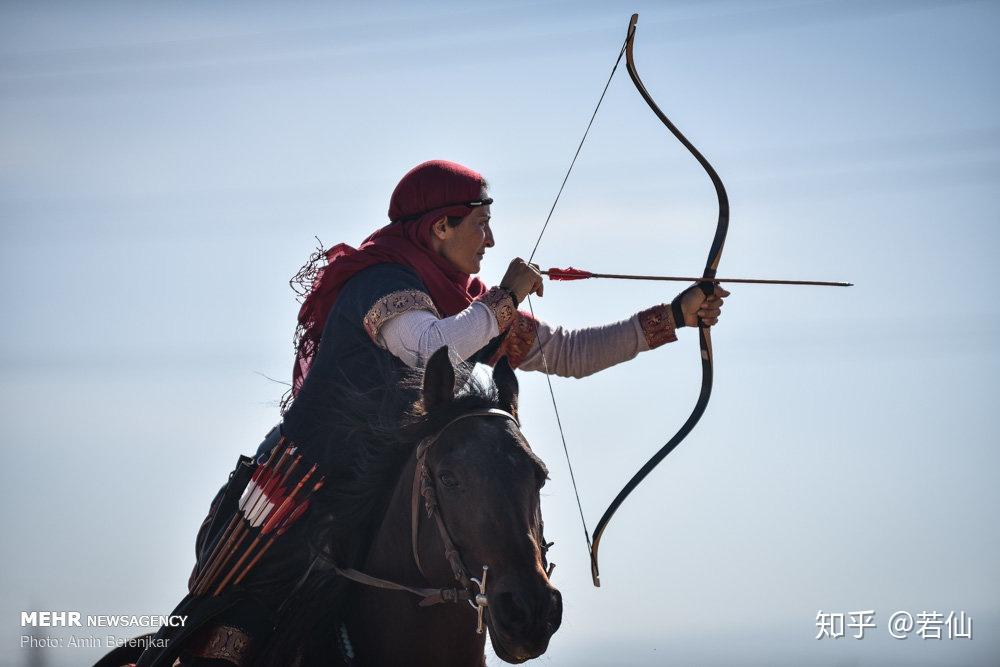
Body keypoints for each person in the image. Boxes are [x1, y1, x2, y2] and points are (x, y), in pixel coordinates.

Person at [139, 159, 727, 666]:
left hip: (392, 480)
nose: (490, 241)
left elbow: (568, 352)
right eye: (480, 224)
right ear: (440, 226)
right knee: (240, 621)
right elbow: (429, 348)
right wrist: (506, 296)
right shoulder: (382, 282)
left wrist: (673, 317)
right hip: (307, 477)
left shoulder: (468, 308)